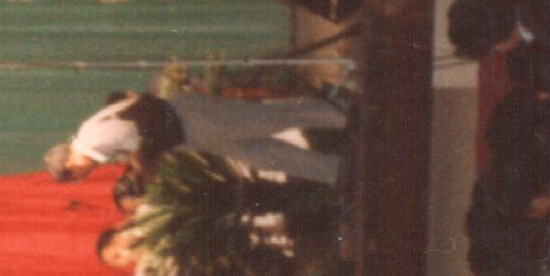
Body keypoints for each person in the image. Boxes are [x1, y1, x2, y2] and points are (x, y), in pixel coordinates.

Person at [51, 85, 349, 190]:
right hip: (189, 133)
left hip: (190, 119)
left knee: (267, 121)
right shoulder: (92, 140)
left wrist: (143, 165)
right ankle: (335, 171)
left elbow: (142, 120)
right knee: (263, 156)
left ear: (71, 164)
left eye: (77, 176)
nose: (84, 177)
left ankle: (339, 114)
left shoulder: (93, 137)